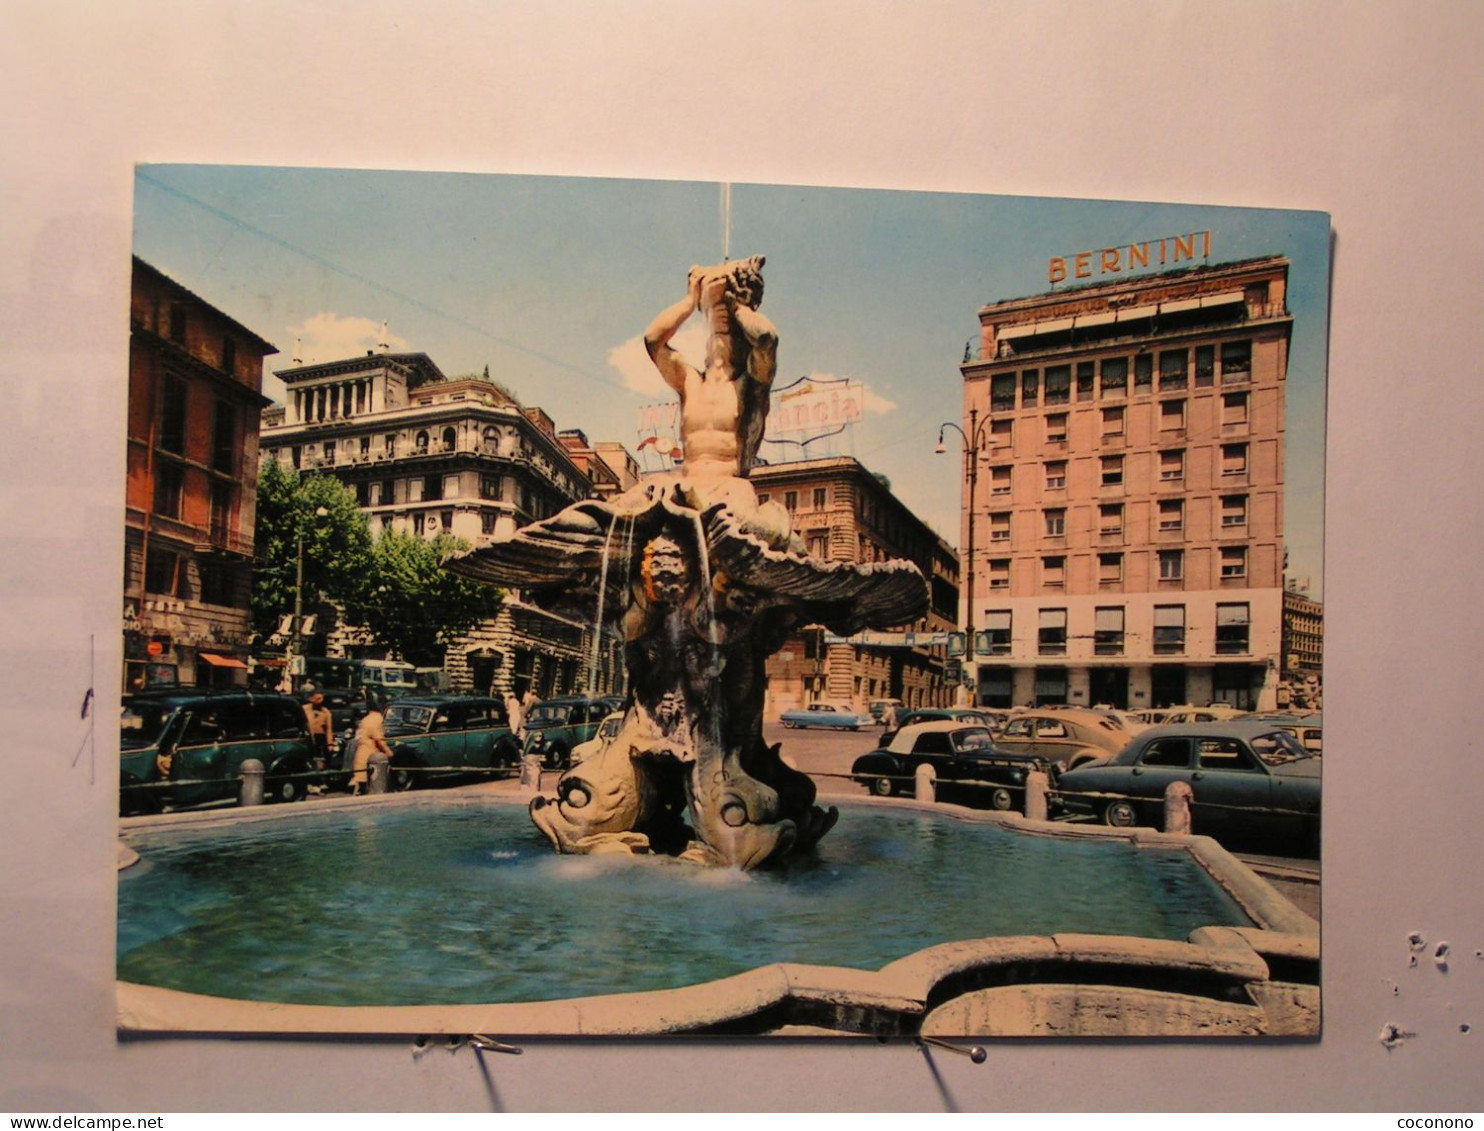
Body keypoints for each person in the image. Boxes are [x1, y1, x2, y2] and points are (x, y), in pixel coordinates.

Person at [349, 695, 392, 796]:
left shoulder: (365, 719)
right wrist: (389, 752)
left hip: (360, 756)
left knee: (361, 789)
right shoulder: (377, 719)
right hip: (371, 757)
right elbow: (379, 739)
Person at [302, 691, 335, 773]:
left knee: (321, 759)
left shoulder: (326, 712)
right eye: (318, 698)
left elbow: (329, 729)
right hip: (307, 737)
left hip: (320, 737)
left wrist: (330, 743)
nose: (320, 700)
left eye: (321, 698)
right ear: (312, 699)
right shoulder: (304, 709)